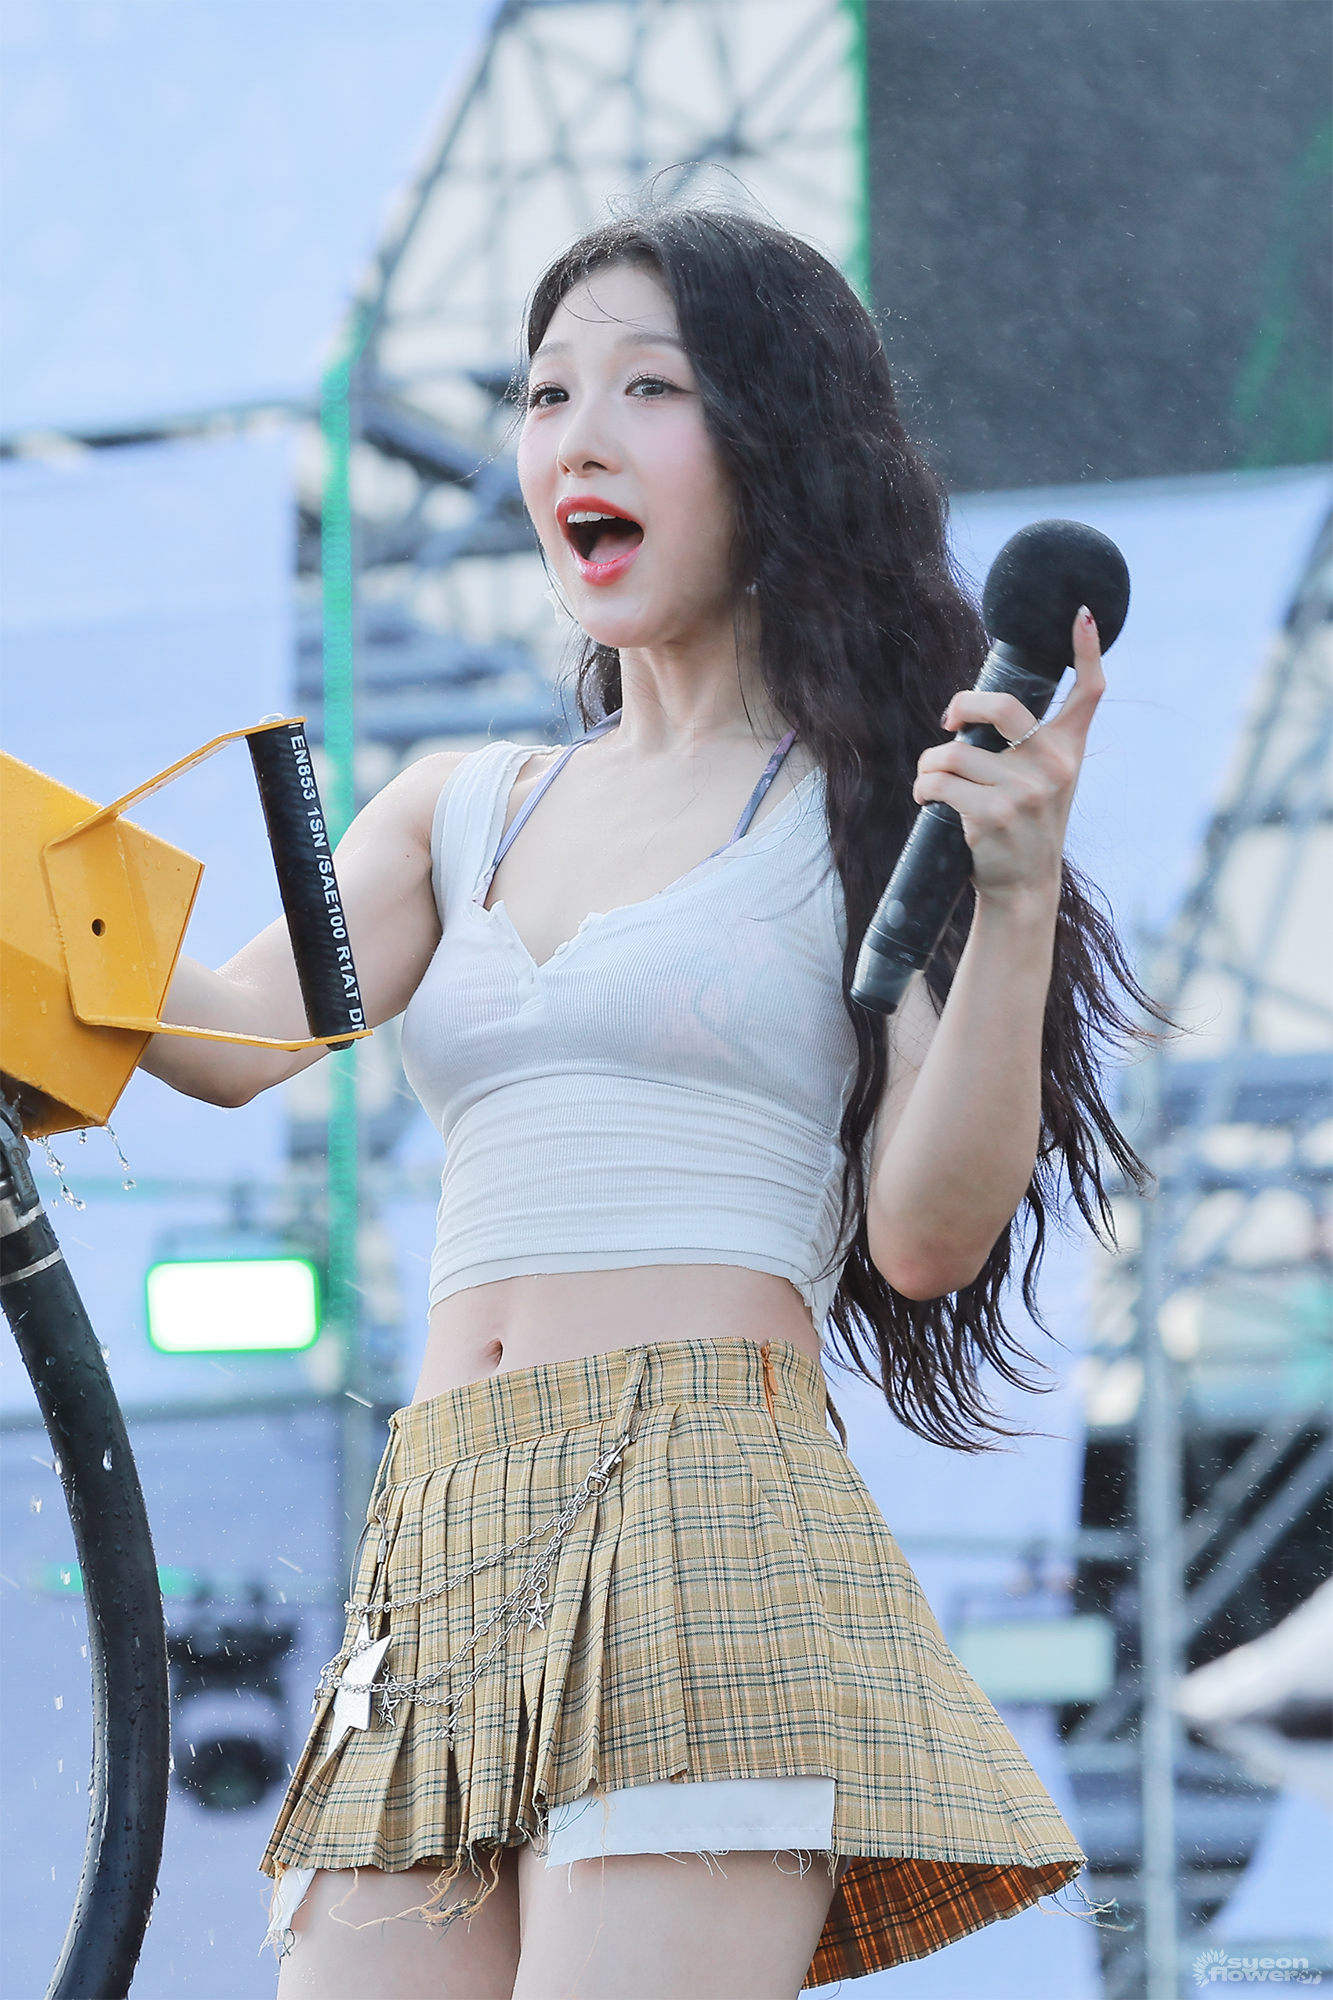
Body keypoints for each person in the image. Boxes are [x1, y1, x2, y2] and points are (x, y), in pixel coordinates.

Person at [142, 206, 1145, 2000]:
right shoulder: (458, 804)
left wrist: (1010, 907)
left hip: (702, 1501)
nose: (575, 440)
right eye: (544, 396)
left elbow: (924, 1236)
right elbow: (224, 1036)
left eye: (647, 390)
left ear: (778, 443)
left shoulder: (872, 808)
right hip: (443, 1517)